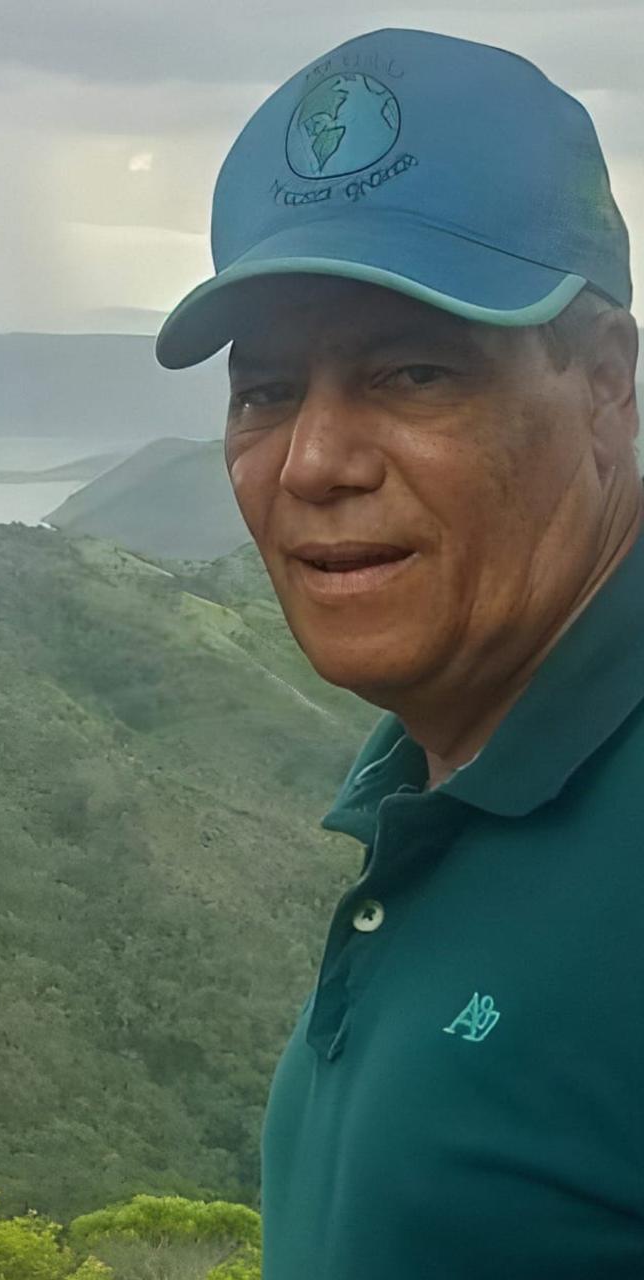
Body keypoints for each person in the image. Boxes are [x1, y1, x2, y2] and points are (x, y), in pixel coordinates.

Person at [155, 26, 642, 1279]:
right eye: (265, 390)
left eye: (412, 372)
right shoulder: (430, 769)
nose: (312, 462)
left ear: (604, 384)